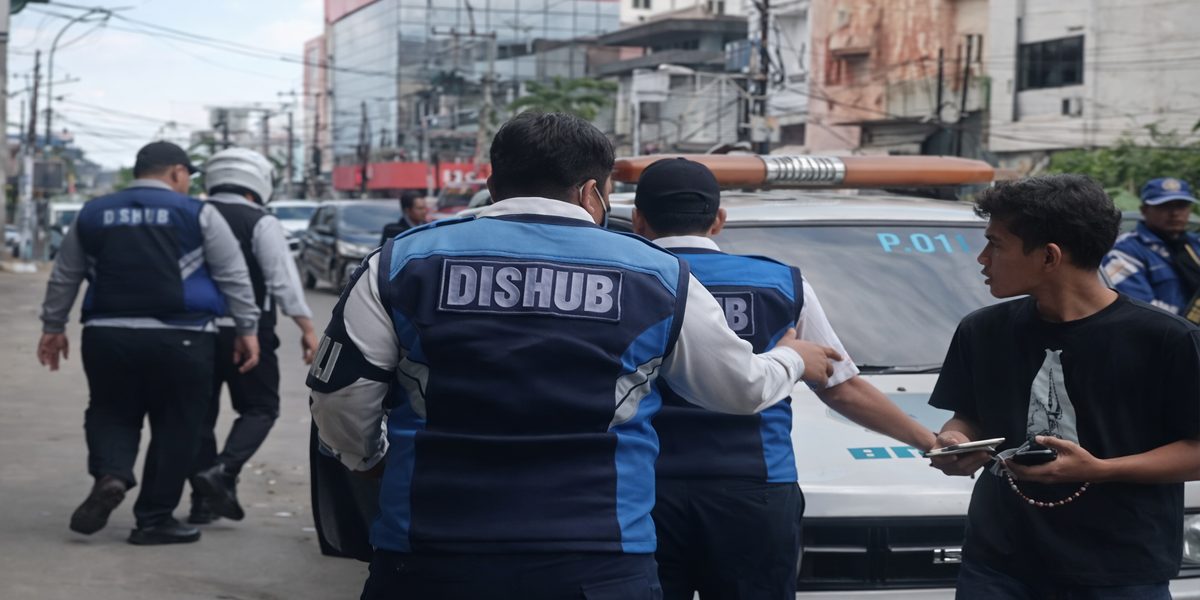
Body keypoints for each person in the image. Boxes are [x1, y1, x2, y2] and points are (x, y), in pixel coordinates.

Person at [307, 111, 842, 599]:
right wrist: (792, 358)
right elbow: (738, 390)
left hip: (428, 553)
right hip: (600, 559)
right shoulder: (658, 274)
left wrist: (370, 460)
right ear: (592, 192)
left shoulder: (401, 261)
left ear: (492, 185)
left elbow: (338, 396)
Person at [631, 158, 937, 600]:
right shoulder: (780, 283)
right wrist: (929, 440)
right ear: (718, 220)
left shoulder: (630, 279)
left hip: (645, 490)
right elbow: (841, 385)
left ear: (639, 220)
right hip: (756, 493)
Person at [927, 175, 1200, 599]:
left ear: (1050, 257)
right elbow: (969, 416)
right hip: (997, 567)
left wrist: (1101, 470)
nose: (982, 258)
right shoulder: (983, 330)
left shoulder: (1165, 339)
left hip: (1120, 572)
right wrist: (958, 440)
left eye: (996, 244)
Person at [37, 141, 261, 546]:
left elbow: (64, 274)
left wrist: (53, 326)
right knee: (178, 425)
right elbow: (233, 275)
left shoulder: (93, 213)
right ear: (176, 172)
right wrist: (247, 329)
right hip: (184, 338)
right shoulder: (199, 213)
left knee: (110, 410)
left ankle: (113, 474)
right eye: (187, 177)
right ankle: (154, 520)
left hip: (107, 334)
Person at [187, 148, 319, 524]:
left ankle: (202, 502)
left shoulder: (192, 216)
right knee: (260, 408)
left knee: (200, 417)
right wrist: (307, 328)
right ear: (259, 183)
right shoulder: (260, 220)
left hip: (195, 333)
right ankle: (223, 472)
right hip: (250, 333)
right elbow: (282, 280)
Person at [1103, 177, 1200, 323]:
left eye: (1181, 205)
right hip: (1166, 337)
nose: (1174, 213)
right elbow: (1138, 311)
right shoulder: (1125, 251)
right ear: (1144, 210)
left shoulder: (1194, 244)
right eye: (1164, 206)